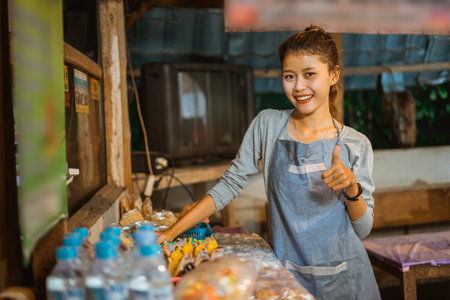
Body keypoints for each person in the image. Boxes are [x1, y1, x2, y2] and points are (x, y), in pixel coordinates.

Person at [156, 25, 381, 299]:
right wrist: (171, 232)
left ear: (333, 75)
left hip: (347, 281)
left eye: (309, 74)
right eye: (289, 76)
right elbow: (230, 184)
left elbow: (363, 228)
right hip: (286, 275)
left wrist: (351, 187)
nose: (299, 87)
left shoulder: (355, 144)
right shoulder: (269, 125)